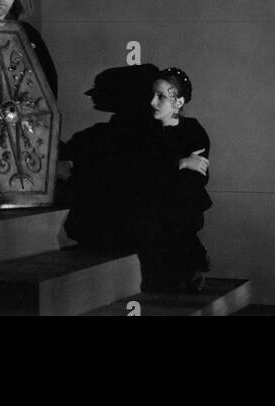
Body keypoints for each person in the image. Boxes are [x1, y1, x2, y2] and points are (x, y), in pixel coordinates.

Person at [62, 65, 211, 293]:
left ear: (179, 103)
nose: (152, 102)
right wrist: (178, 164)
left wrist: (159, 173)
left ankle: (184, 271)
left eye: (160, 97)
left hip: (174, 213)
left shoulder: (192, 132)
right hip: (151, 211)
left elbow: (190, 186)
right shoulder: (144, 131)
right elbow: (137, 173)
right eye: (152, 95)